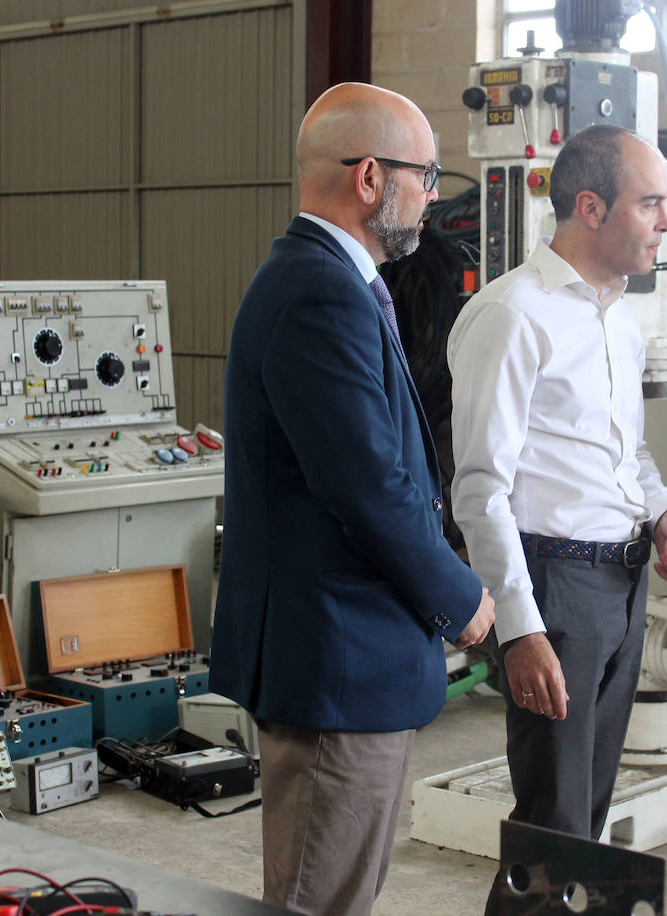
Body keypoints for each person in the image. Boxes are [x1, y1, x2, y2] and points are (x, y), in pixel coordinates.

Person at [209, 82, 495, 916]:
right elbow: (367, 486)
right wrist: (461, 597)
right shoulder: (320, 291)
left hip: (348, 655)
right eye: (427, 175)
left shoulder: (334, 280)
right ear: (370, 177)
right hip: (335, 663)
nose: (436, 195)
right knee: (320, 898)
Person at [448, 124, 667, 903]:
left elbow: (626, 458)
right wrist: (520, 630)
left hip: (621, 585)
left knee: (581, 825)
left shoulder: (616, 317)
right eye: (652, 204)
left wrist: (662, 515)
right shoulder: (513, 315)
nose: (666, 223)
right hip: (555, 588)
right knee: (553, 829)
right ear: (591, 208)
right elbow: (479, 487)